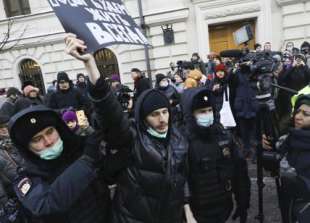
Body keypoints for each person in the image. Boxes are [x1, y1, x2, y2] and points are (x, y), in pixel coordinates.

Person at [65, 33, 189, 223]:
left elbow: (181, 180)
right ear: (143, 118)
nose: (162, 118)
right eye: (155, 114)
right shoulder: (132, 138)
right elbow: (111, 116)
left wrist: (187, 213)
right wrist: (91, 65)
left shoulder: (179, 139)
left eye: (165, 112)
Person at [9, 105, 111, 223]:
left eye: (50, 132)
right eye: (37, 139)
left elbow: (107, 176)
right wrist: (87, 161)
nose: (48, 141)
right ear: (27, 148)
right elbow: (45, 204)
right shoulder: (26, 178)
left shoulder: (79, 149)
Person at [181, 87, 250, 223]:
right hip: (197, 213)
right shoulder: (183, 142)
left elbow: (239, 171)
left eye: (209, 110)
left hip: (224, 208)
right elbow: (181, 182)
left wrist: (243, 202)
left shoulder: (223, 136)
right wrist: (186, 211)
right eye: (202, 111)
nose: (207, 114)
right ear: (191, 114)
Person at [262, 86, 310, 223]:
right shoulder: (288, 138)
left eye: (306, 114)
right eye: (298, 111)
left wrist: (299, 184)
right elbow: (272, 166)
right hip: (289, 207)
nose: (298, 116)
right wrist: (266, 147)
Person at [0, 114, 25, 222]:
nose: (3, 130)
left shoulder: (17, 140)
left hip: (31, 187)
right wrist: (6, 205)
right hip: (16, 194)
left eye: (4, 127)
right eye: (0, 129)